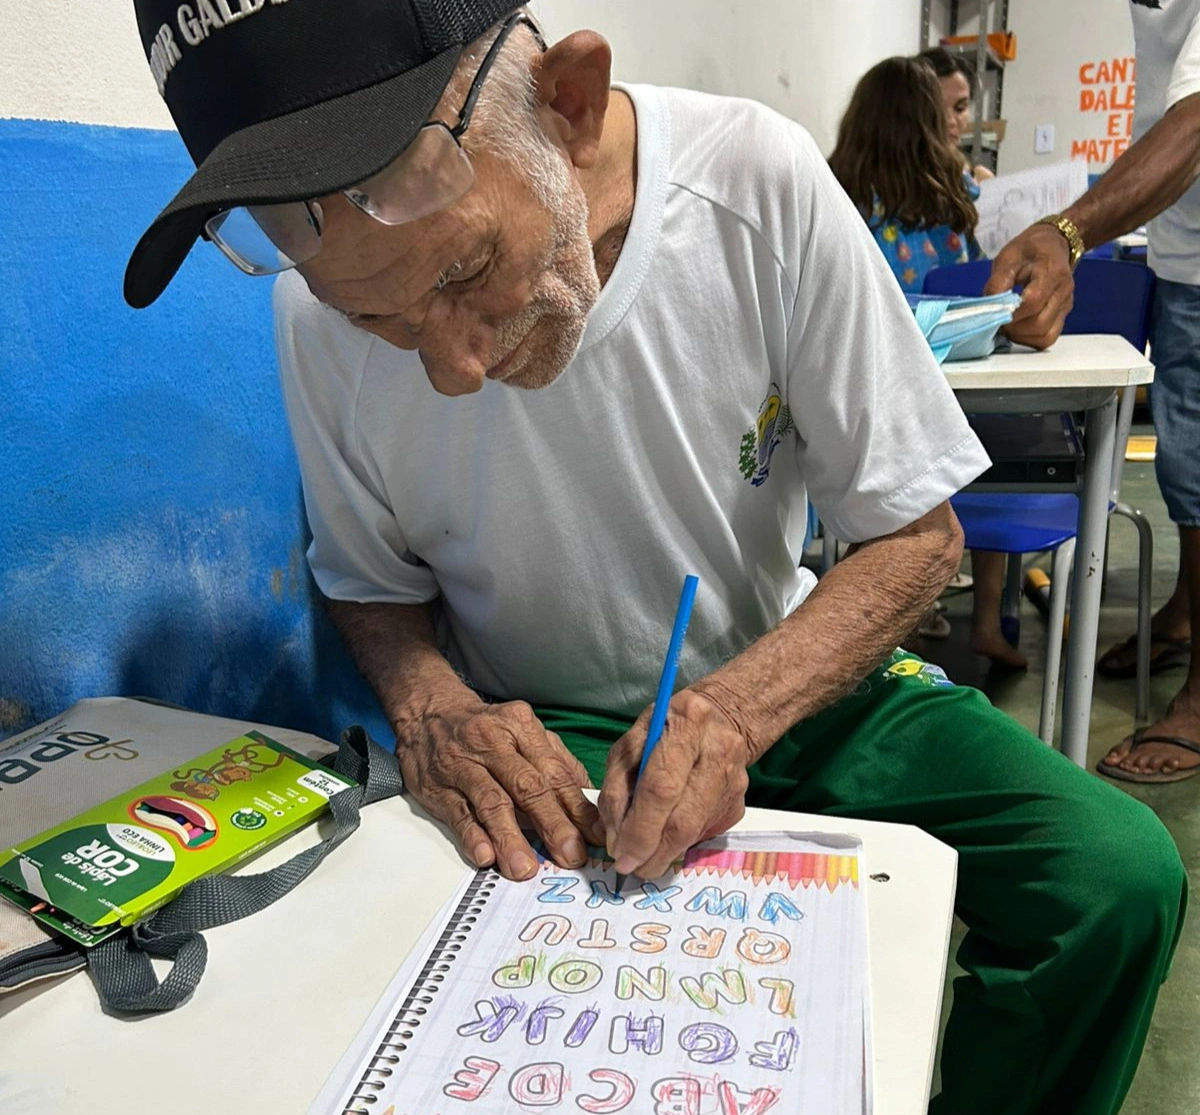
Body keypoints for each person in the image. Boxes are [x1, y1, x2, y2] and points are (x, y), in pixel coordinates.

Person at [124, 2, 1185, 1111]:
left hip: (792, 681)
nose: (453, 370)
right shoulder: (308, 315)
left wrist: (730, 713)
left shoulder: (754, 186)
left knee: (1113, 876)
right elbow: (373, 586)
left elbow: (916, 539)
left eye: (463, 273)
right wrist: (435, 711)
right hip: (540, 727)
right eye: (375, 321)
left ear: (569, 104)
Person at [986, 0, 1200, 783]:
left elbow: (1194, 121)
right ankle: (1184, 612)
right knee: (1184, 461)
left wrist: (1067, 230)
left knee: (1199, 475)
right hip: (1181, 258)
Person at [829, 56, 1027, 669]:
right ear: (927, 118)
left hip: (876, 390)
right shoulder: (960, 191)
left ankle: (889, 636)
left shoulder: (836, 190)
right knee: (993, 464)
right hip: (964, 385)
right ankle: (989, 623)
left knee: (882, 500)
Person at [919, 46, 995, 185]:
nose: (950, 121)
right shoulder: (891, 178)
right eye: (937, 108)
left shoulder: (972, 177)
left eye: (960, 108)